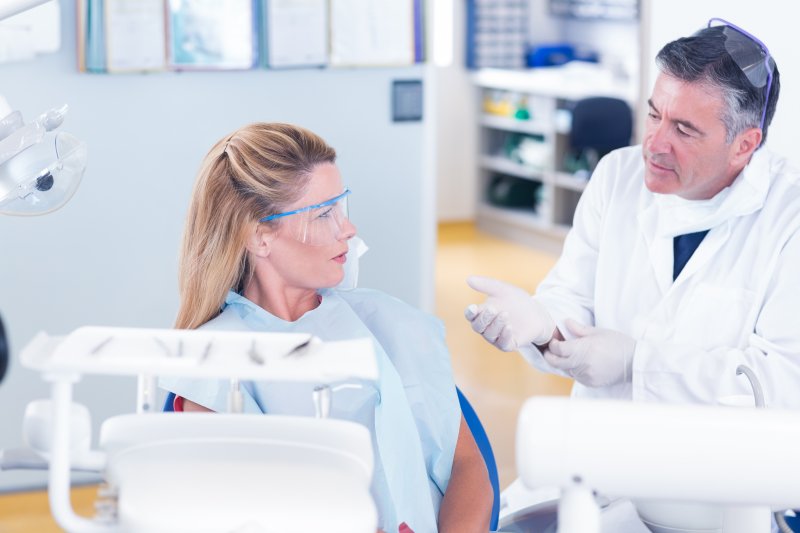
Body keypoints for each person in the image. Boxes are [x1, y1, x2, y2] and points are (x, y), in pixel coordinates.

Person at [160, 122, 492, 533]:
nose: (348, 229)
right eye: (323, 214)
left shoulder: (388, 321)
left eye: (342, 207)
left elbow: (467, 465)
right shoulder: (214, 364)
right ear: (260, 237)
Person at [466, 18, 800, 408]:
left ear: (744, 145)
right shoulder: (616, 175)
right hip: (601, 443)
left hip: (714, 459)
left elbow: (782, 381)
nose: (654, 145)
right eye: (655, 115)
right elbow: (573, 297)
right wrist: (543, 325)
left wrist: (637, 364)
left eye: (684, 130)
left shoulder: (787, 218)